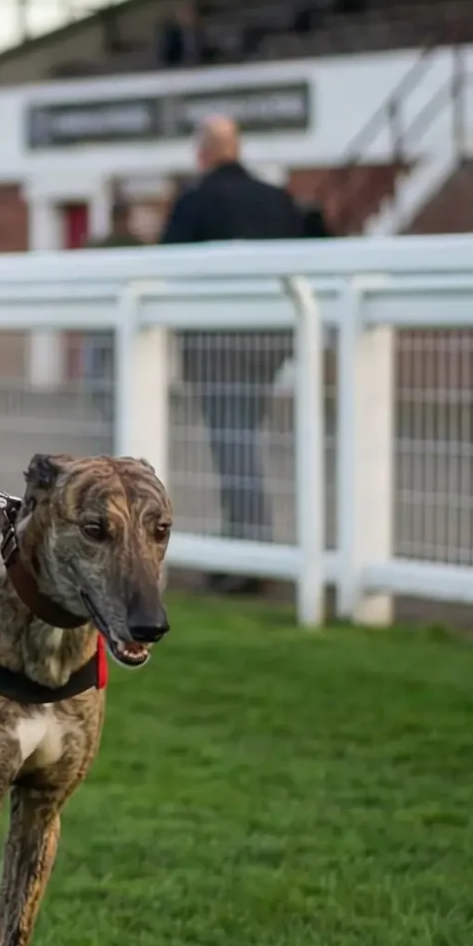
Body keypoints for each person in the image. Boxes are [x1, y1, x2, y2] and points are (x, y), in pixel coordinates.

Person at [160, 115, 306, 592]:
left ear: (202, 154)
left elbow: (167, 265)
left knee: (233, 441)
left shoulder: (196, 201)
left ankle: (250, 555)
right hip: (271, 339)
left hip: (217, 340)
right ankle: (242, 544)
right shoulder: (278, 199)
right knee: (242, 439)